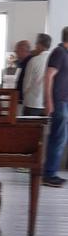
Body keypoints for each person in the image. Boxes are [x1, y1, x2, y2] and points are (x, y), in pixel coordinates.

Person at [43, 26, 68, 187]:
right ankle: (49, 174)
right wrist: (48, 101)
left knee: (60, 138)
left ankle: (51, 173)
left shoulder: (65, 53)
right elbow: (48, 76)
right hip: (59, 102)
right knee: (58, 138)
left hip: (64, 101)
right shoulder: (59, 52)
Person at [22, 33, 52, 115]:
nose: (35, 46)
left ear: (40, 45)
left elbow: (26, 84)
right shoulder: (54, 59)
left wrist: (24, 95)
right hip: (48, 104)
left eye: (36, 44)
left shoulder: (34, 60)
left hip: (32, 103)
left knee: (29, 123)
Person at [14, 39, 32, 105]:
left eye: (17, 51)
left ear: (23, 50)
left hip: (26, 100)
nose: (15, 53)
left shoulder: (30, 62)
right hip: (20, 98)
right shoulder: (20, 63)